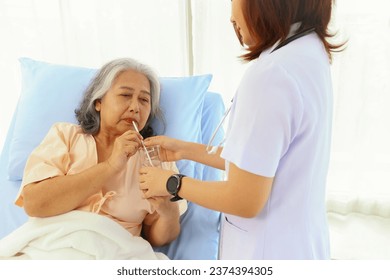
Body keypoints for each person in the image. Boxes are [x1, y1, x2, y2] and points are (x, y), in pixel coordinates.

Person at [139, 0, 345, 260]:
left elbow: (244, 198)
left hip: (268, 253)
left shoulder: (271, 76)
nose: (231, 15)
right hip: (302, 243)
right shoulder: (309, 51)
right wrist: (184, 150)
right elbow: (260, 160)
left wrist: (171, 183)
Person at [3, 58, 182, 258]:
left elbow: (157, 237)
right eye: (125, 95)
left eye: (144, 100)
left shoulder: (157, 157)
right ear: (98, 102)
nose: (135, 107)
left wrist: (169, 212)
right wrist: (111, 166)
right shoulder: (65, 136)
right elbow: (35, 204)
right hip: (49, 247)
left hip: (115, 254)